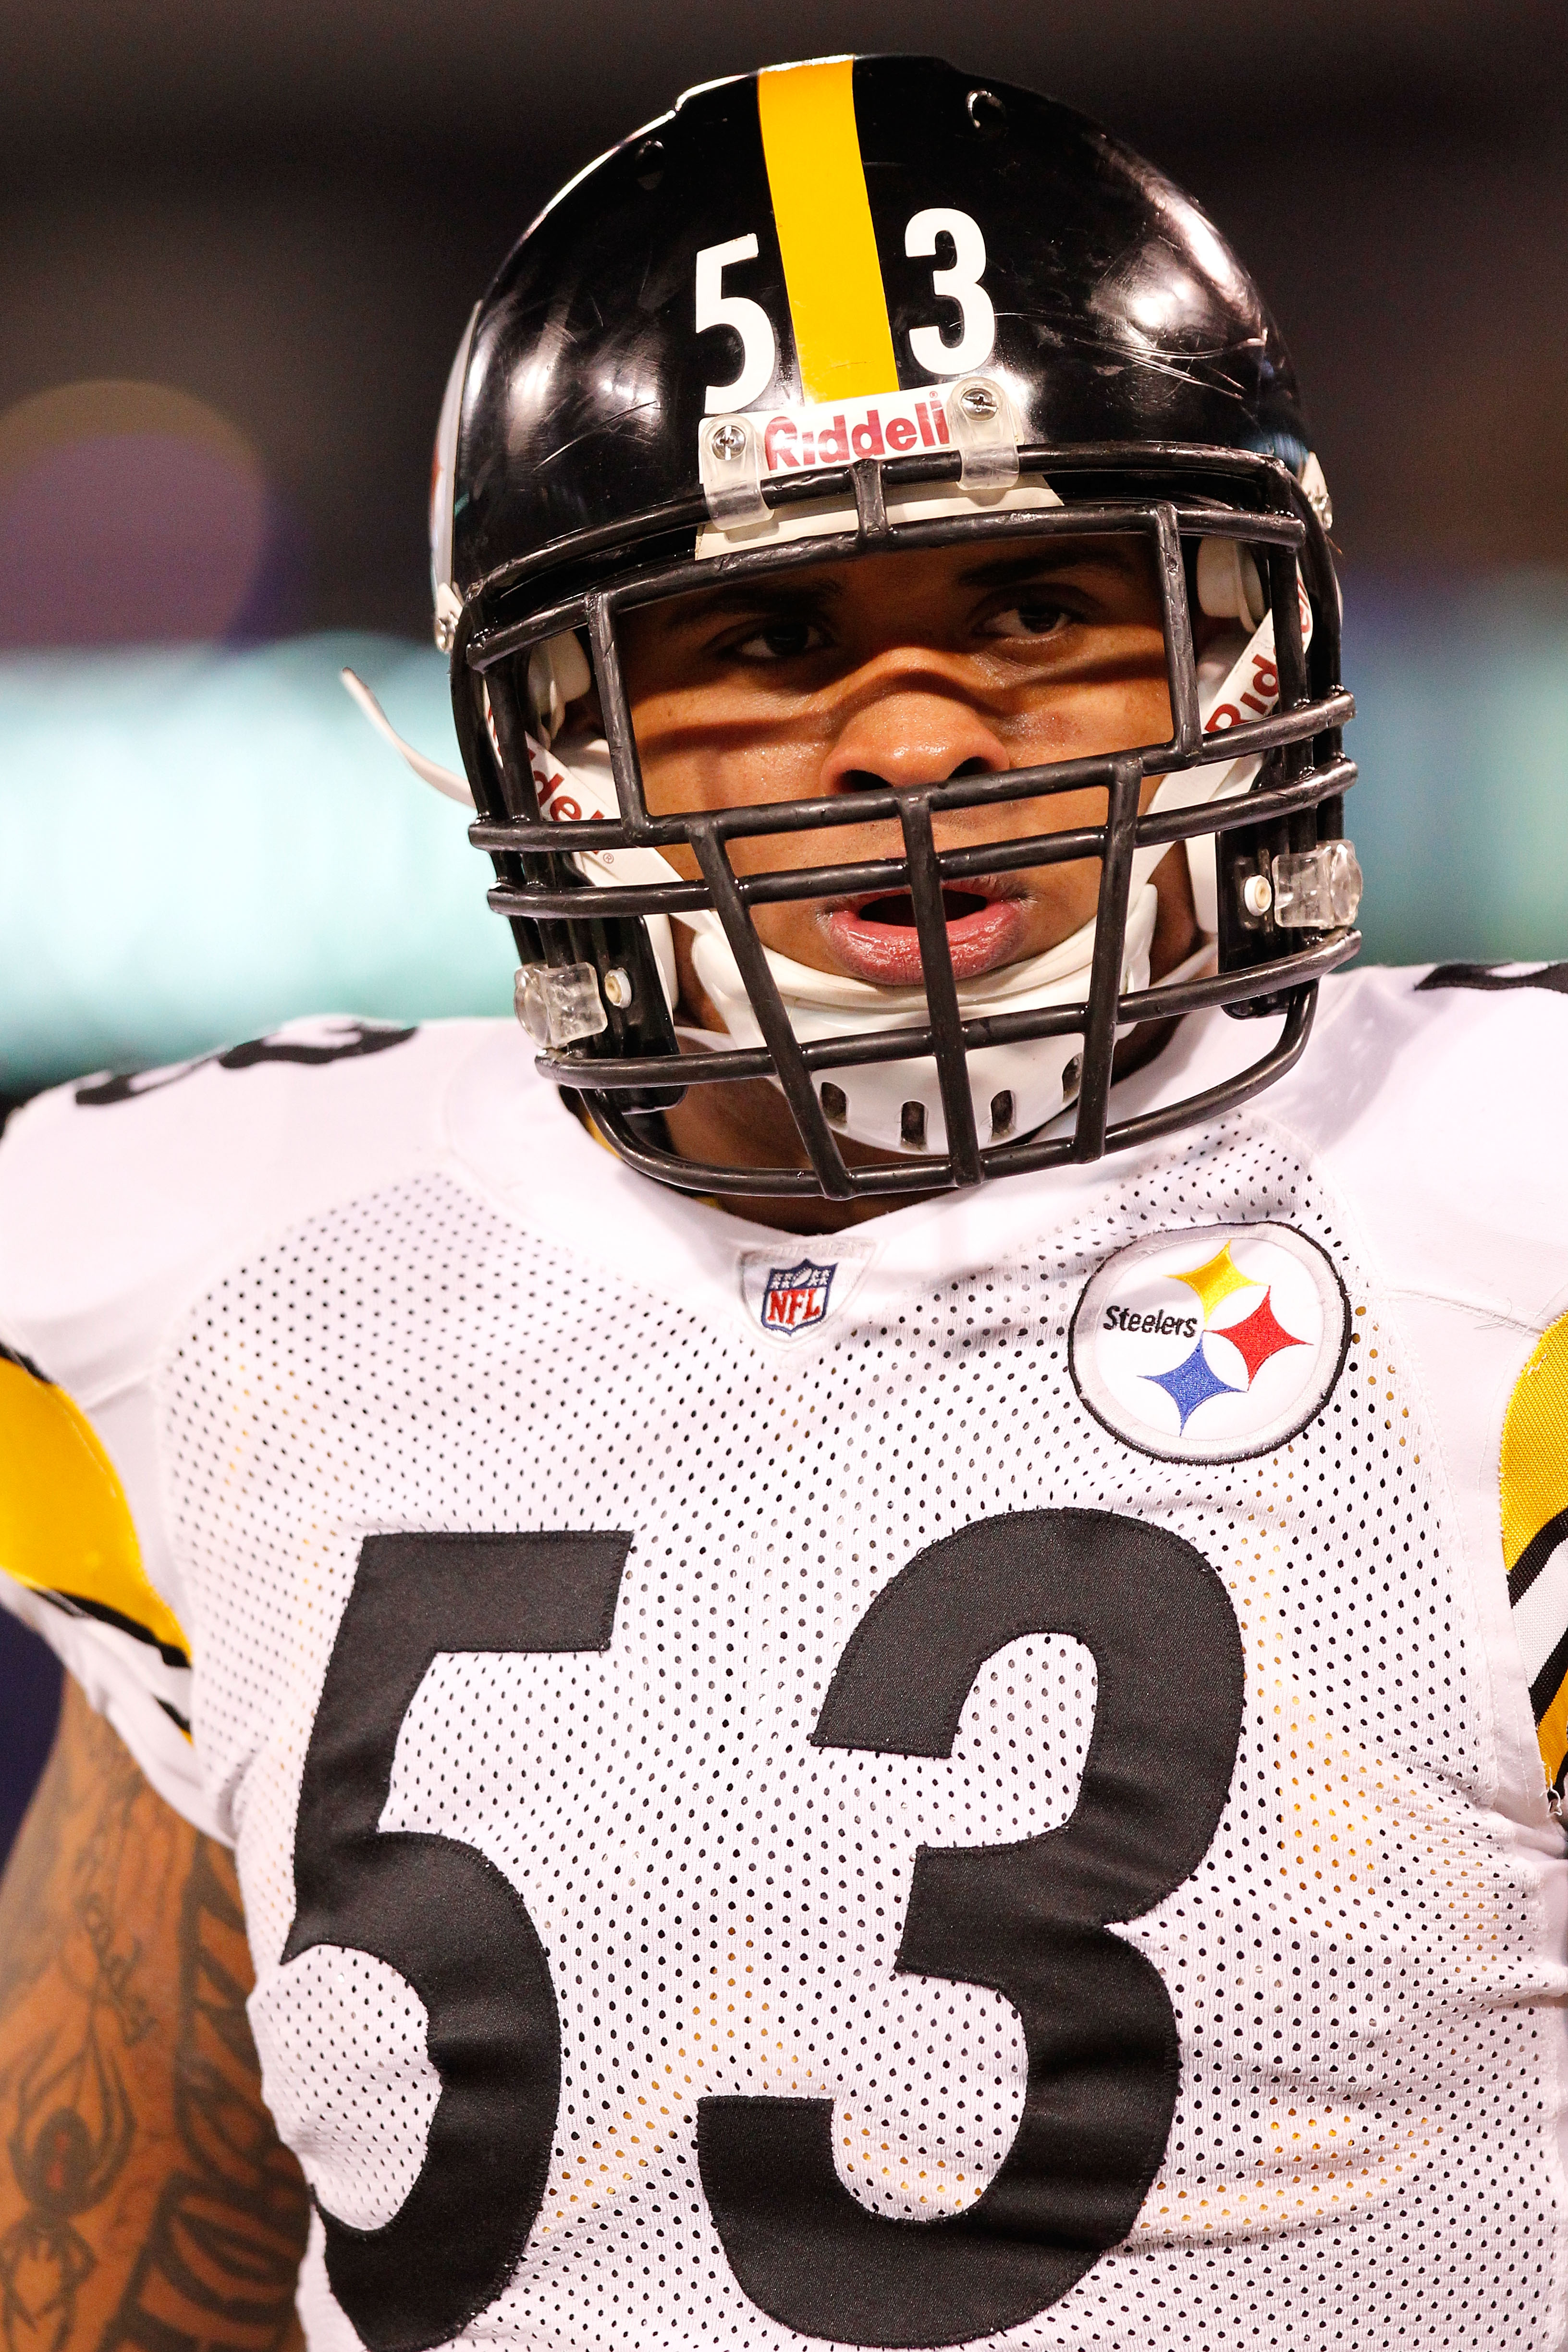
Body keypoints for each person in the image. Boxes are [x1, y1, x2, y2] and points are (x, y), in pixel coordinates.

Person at [2, 51, 1567, 2352]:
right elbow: (132, 2214)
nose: (916, 740)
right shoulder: (211, 1273)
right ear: (557, 733)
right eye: (769, 640)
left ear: (1243, 635)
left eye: (1034, 605)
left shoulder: (1505, 1207)